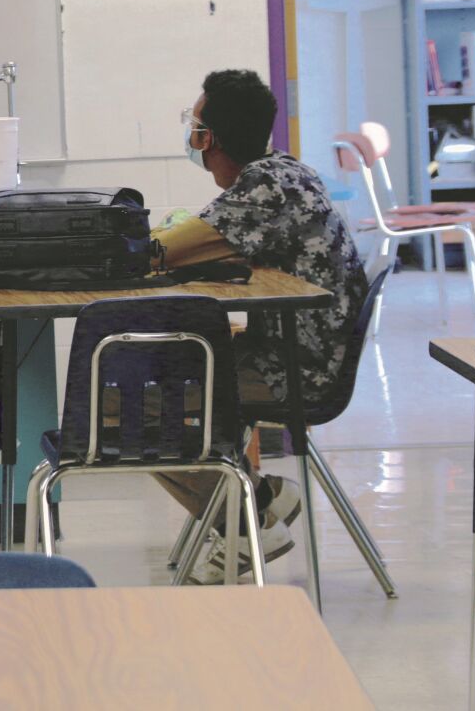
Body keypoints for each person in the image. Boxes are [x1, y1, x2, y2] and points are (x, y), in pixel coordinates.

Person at [153, 68, 369, 582]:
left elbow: (166, 251)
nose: (193, 135)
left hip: (297, 368)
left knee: (119, 394)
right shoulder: (282, 172)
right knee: (147, 370)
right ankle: (263, 497)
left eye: (197, 126)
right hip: (295, 350)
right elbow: (202, 238)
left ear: (211, 139)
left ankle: (247, 522)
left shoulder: (265, 188)